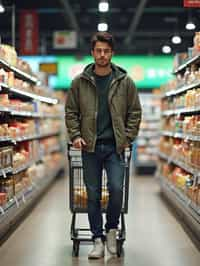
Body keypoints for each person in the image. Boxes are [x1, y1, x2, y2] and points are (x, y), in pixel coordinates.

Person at [65, 32, 142, 259]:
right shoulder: (79, 82)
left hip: (115, 147)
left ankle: (111, 229)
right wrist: (76, 135)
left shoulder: (125, 82)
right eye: (98, 50)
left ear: (112, 53)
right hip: (89, 147)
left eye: (106, 51)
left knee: (117, 189)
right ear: (92, 53)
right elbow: (71, 112)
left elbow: (135, 112)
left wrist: (128, 138)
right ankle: (96, 239)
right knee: (93, 194)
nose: (102, 55)